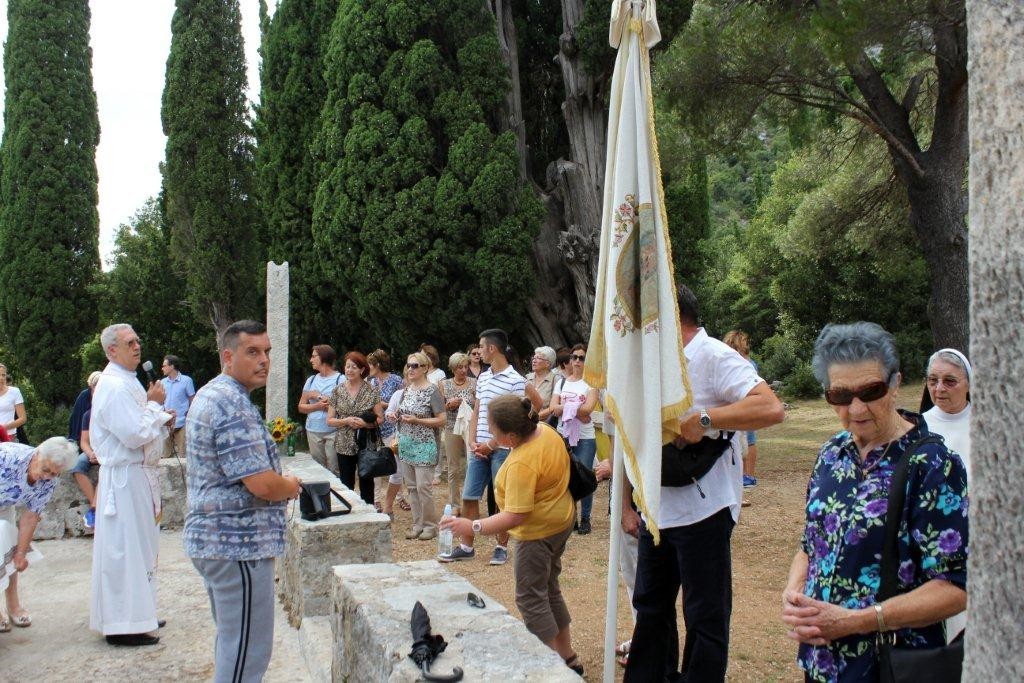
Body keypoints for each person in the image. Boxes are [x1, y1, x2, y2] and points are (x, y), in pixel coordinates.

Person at [781, 322, 968, 682]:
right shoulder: (832, 453)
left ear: (895, 384)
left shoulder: (932, 465)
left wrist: (855, 621)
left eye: (870, 391)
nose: (856, 408)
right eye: (840, 395)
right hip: (821, 665)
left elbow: (956, 586)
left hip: (891, 667)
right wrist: (794, 590)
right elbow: (811, 543)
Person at [624, 286, 785, 682]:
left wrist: (706, 419)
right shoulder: (651, 362)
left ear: (668, 314)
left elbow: (770, 407)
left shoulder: (713, 355)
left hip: (704, 508)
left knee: (704, 614)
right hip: (656, 507)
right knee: (651, 607)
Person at [184, 320, 302, 683]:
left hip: (219, 541)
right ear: (228, 356)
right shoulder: (231, 404)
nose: (264, 360)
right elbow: (262, 484)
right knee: (247, 655)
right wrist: (290, 486)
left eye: (267, 351)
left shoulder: (213, 394)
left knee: (233, 644)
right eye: (253, 352)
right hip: (237, 545)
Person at [440, 395, 583, 675]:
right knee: (549, 589)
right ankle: (568, 657)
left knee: (531, 597)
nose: (492, 436)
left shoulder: (521, 463)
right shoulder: (545, 431)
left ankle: (548, 668)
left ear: (512, 436)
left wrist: (473, 526)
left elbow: (516, 515)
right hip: (561, 520)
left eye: (494, 431)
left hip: (538, 533)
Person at [89, 323, 174, 647]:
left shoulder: (128, 380)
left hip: (138, 475)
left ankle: (141, 613)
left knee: (142, 547)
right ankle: (123, 624)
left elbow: (141, 425)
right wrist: (154, 406)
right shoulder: (113, 385)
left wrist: (160, 416)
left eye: (137, 340)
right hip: (124, 479)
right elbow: (133, 433)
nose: (137, 346)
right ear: (112, 350)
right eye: (129, 342)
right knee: (125, 549)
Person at [440, 328, 541, 566]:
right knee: (469, 495)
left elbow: (534, 405)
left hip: (503, 450)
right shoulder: (483, 378)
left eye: (481, 346)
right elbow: (477, 410)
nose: (479, 351)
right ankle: (466, 546)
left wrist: (496, 442)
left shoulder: (516, 380)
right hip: (479, 448)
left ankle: (501, 546)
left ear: (492, 348)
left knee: (501, 499)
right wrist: (472, 439)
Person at [0, 437, 80, 632]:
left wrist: (20, 554)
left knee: (9, 552)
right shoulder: (7, 457)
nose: (47, 477)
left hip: (5, 504)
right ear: (37, 454)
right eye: (45, 470)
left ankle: (13, 605)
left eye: (54, 473)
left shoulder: (49, 481)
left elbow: (30, 517)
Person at [921, 347, 972, 642]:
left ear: (968, 384)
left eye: (949, 381)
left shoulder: (991, 424)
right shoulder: (918, 429)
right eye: (933, 380)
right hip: (934, 545)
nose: (939, 388)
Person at [548, 343, 599, 535]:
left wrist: (566, 408)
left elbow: (589, 409)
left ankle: (585, 517)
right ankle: (572, 517)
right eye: (574, 357)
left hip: (585, 437)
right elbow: (553, 408)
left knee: (584, 476)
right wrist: (576, 409)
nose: (577, 361)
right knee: (566, 476)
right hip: (564, 435)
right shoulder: (561, 383)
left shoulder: (591, 383)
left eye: (581, 358)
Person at [396, 351, 447, 540]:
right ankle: (417, 524)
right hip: (406, 443)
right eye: (409, 365)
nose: (410, 369)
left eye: (415, 366)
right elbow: (404, 413)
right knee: (411, 487)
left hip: (425, 445)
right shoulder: (407, 389)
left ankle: (430, 526)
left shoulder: (432, 391)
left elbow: (442, 420)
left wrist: (418, 420)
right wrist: (396, 416)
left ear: (425, 368)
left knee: (423, 487)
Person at [326, 351, 382, 506]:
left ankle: (369, 513)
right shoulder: (337, 390)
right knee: (346, 483)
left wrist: (364, 424)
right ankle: (348, 512)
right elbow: (329, 420)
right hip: (343, 443)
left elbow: (380, 418)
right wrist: (346, 420)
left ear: (362, 370)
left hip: (366, 443)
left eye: (354, 367)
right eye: (347, 366)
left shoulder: (371, 390)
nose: (349, 370)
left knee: (367, 483)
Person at [368, 349, 406, 516]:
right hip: (375, 429)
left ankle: (400, 497)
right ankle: (376, 499)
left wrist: (381, 405)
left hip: (391, 428)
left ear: (377, 365)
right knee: (375, 465)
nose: (368, 368)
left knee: (396, 465)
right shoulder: (370, 382)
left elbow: (402, 402)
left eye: (370, 364)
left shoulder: (396, 380)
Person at [438, 352, 476, 515]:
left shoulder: (474, 383)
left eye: (466, 367)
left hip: (470, 427)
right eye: (460, 367)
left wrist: (463, 402)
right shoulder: (444, 384)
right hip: (451, 426)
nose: (464, 370)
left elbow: (479, 405)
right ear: (453, 368)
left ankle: (470, 502)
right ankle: (455, 504)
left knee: (472, 464)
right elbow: (439, 408)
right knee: (453, 467)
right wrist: (449, 405)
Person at [723, 330, 760, 488]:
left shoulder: (745, 364)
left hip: (745, 406)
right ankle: (745, 475)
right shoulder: (748, 363)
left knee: (748, 440)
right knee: (744, 440)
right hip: (745, 406)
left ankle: (748, 475)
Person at [66, 371, 103, 529]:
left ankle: (94, 508)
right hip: (92, 450)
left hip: (108, 452)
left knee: (107, 469)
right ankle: (96, 506)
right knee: (77, 466)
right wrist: (90, 453)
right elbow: (84, 441)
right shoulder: (88, 415)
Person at [297, 345, 341, 473]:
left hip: (334, 431)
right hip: (313, 431)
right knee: (318, 470)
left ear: (323, 357)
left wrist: (318, 396)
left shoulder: (340, 380)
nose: (311, 360)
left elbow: (342, 408)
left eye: (313, 356)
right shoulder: (311, 380)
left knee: (334, 470)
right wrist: (318, 406)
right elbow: (301, 407)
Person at [161, 355, 196, 459]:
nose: (162, 368)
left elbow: (192, 400)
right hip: (166, 423)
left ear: (172, 366)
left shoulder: (187, 380)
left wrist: (189, 417)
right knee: (165, 457)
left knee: (183, 456)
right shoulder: (162, 382)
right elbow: (160, 402)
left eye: (164, 366)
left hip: (182, 423)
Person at [528, 346, 559, 424]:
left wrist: (534, 418)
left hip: (544, 425)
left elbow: (555, 406)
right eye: (534, 358)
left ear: (547, 363)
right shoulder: (527, 378)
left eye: (538, 358)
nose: (534, 361)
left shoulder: (556, 380)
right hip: (524, 423)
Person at [0, 363, 27, 444]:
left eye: (3, 375)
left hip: (10, 439)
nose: (1, 378)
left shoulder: (14, 391)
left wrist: (2, 429)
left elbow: (23, 418)